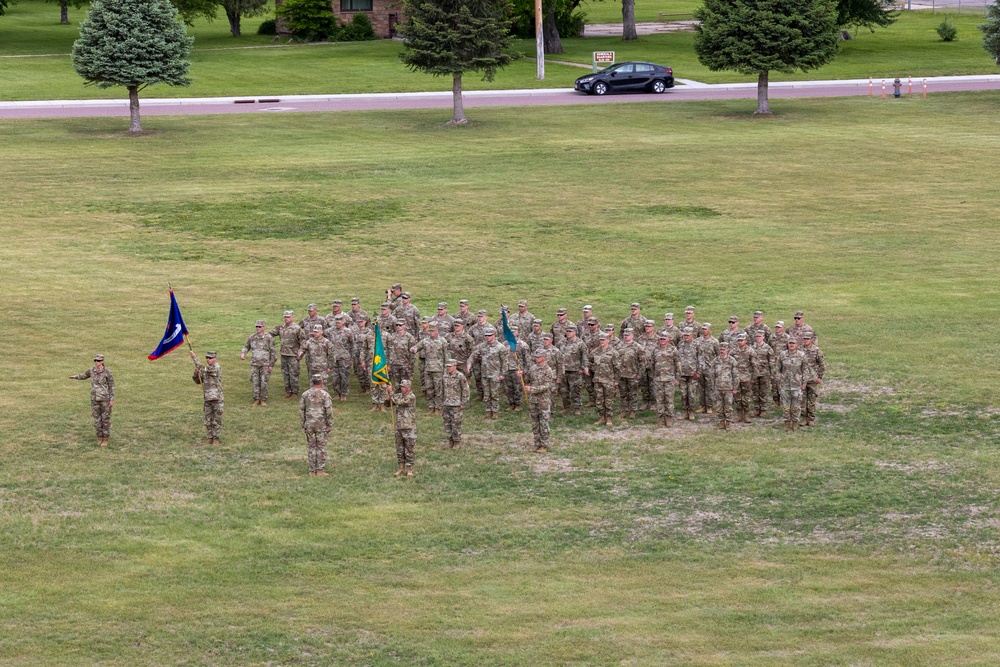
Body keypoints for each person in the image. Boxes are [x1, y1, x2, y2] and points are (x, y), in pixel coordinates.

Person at [69, 353, 115, 446]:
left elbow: (111, 385)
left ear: (102, 361)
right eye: (95, 360)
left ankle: (105, 438)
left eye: (98, 361)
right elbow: (84, 376)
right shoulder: (92, 370)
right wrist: (75, 377)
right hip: (94, 399)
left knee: (105, 419)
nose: (96, 362)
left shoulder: (107, 372)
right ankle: (99, 437)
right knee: (97, 419)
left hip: (105, 399)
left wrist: (112, 399)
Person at [467, 325, 508, 419]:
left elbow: (505, 362)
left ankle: (495, 411)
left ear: (494, 335)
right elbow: (473, 355)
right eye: (486, 336)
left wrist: (502, 374)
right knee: (486, 393)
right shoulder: (482, 346)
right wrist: (469, 363)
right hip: (485, 373)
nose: (488, 337)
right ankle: (488, 410)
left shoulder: (500, 347)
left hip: (495, 374)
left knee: (494, 393)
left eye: (489, 335)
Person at [521, 349, 557, 452]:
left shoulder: (548, 370)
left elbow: (547, 385)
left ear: (544, 357)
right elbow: (528, 380)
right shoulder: (533, 368)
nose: (536, 358)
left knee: (543, 423)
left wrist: (533, 389)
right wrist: (522, 375)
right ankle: (537, 443)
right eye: (536, 356)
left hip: (543, 401)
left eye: (538, 356)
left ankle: (544, 444)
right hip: (533, 400)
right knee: (535, 423)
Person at [300, 374, 334, 477]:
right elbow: (329, 411)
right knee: (321, 446)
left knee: (311, 446)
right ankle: (320, 470)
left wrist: (303, 424)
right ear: (321, 382)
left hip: (309, 424)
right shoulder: (325, 395)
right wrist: (330, 424)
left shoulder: (305, 395)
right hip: (321, 424)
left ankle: (312, 470)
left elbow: (302, 410)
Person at [412, 322, 448, 413]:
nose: (431, 333)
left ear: (437, 331)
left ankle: (438, 408)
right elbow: (416, 347)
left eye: (433, 331)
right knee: (429, 389)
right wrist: (414, 349)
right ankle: (431, 406)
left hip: (438, 369)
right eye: (430, 331)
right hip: (427, 369)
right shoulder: (425, 341)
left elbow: (446, 355)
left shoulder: (443, 341)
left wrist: (447, 368)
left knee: (438, 389)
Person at [240, 319, 277, 406]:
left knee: (264, 382)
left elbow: (273, 352)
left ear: (263, 327)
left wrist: (271, 365)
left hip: (265, 364)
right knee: (255, 381)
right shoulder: (252, 337)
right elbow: (246, 346)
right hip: (254, 364)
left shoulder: (268, 338)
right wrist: (243, 353)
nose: (258, 328)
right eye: (256, 326)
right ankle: (256, 399)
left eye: (259, 326)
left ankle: (263, 399)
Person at [269, 310, 305, 398]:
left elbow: (303, 342)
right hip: (284, 354)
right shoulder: (281, 327)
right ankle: (288, 391)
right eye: (285, 317)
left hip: (293, 355)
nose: (286, 318)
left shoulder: (297, 328)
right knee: (285, 373)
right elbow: (271, 333)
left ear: (292, 317)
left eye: (288, 317)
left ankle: (295, 392)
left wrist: (301, 353)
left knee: (294, 374)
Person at [191, 350, 224, 445]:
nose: (208, 360)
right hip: (207, 398)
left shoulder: (216, 367)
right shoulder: (205, 370)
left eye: (210, 358)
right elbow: (198, 381)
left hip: (217, 398)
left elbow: (205, 369)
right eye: (207, 358)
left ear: (215, 359)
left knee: (216, 419)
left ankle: (216, 438)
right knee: (208, 419)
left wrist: (194, 358)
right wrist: (196, 373)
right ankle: (209, 437)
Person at [591, 333, 620, 427]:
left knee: (608, 400)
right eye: (600, 340)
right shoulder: (595, 351)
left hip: (609, 380)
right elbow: (589, 360)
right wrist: (592, 368)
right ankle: (602, 417)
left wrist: (616, 380)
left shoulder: (613, 352)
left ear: (608, 340)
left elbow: (618, 368)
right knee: (599, 400)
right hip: (598, 380)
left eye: (603, 340)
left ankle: (609, 418)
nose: (602, 341)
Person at [559, 324, 589, 415]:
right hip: (563, 370)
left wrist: (583, 368)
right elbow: (557, 355)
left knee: (575, 390)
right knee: (564, 391)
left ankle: (577, 408)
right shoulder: (561, 343)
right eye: (567, 331)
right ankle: (566, 407)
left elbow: (585, 357)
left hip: (575, 371)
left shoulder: (580, 343)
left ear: (575, 332)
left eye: (570, 331)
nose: (568, 333)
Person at [389, 379, 417, 477]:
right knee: (400, 448)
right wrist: (388, 397)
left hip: (409, 427)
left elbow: (400, 402)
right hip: (399, 426)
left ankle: (409, 469)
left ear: (409, 388)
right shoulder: (399, 395)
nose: (402, 388)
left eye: (404, 387)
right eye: (401, 386)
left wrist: (391, 393)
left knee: (409, 449)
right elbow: (389, 403)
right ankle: (401, 468)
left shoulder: (411, 396)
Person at [651, 333, 680, 427]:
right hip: (658, 379)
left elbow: (678, 364)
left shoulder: (673, 350)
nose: (662, 340)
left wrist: (677, 377)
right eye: (661, 339)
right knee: (659, 400)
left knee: (669, 399)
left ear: (668, 339)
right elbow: (652, 364)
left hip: (669, 379)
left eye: (664, 339)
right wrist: (654, 376)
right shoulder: (655, 349)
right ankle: (661, 418)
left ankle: (669, 418)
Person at [778, 338, 807, 430]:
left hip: (797, 384)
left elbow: (805, 370)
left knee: (796, 406)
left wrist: (804, 383)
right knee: (785, 406)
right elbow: (777, 369)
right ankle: (787, 423)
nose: (791, 345)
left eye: (793, 343)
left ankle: (795, 423)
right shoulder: (782, 355)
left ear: (797, 344)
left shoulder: (801, 355)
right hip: (785, 384)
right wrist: (779, 381)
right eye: (790, 343)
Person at [324, 314, 355, 401]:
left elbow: (352, 345)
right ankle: (337, 393)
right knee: (335, 377)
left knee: (344, 377)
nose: (337, 324)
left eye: (339, 322)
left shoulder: (348, 332)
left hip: (344, 358)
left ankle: (344, 394)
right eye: (336, 322)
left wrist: (351, 358)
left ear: (343, 322)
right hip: (333, 358)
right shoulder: (330, 331)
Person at [441, 358, 470, 448]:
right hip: (446, 403)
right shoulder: (444, 376)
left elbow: (465, 390)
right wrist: (441, 401)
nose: (448, 368)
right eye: (447, 366)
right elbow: (442, 389)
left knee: (456, 423)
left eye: (450, 366)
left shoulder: (460, 376)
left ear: (455, 366)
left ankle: (457, 441)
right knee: (447, 423)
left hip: (456, 404)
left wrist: (463, 403)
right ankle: (450, 440)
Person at [617, 328, 645, 419]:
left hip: (633, 375)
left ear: (632, 335)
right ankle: (624, 410)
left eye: (628, 335)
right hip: (621, 375)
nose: (626, 336)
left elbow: (643, 362)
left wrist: (639, 374)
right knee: (623, 394)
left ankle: (633, 411)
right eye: (625, 335)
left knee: (633, 393)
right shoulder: (619, 346)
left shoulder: (638, 347)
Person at [297, 324, 334, 391]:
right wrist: (300, 354)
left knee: (323, 387)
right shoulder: (309, 342)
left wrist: (330, 367)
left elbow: (332, 355)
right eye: (314, 331)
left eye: (317, 332)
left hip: (322, 368)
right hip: (312, 368)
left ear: (321, 332)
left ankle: (323, 400)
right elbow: (303, 349)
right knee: (313, 387)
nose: (315, 333)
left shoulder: (326, 342)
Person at [730, 332, 756, 423]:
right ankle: (738, 415)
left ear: (745, 341)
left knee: (746, 398)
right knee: (737, 397)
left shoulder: (750, 351)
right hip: (736, 378)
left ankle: (746, 415)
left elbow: (755, 365)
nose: (740, 342)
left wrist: (753, 377)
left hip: (747, 378)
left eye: (742, 340)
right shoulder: (733, 351)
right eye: (739, 340)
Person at [800, 332, 825, 426]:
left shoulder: (817, 350)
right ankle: (804, 418)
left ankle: (811, 418)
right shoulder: (800, 350)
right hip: (802, 379)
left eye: (808, 339)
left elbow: (822, 365)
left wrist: (819, 377)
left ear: (811, 339)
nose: (806, 340)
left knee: (812, 399)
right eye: (804, 338)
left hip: (812, 379)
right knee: (802, 400)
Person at [713, 342, 739, 430]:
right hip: (718, 387)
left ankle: (727, 423)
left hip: (728, 388)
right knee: (719, 406)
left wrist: (735, 388)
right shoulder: (715, 360)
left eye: (724, 349)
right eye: (720, 349)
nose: (722, 351)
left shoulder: (732, 361)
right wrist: (713, 387)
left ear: (728, 350)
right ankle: (721, 422)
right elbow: (712, 374)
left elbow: (736, 375)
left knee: (728, 406)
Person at [695, 323, 719, 414]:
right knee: (701, 388)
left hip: (710, 369)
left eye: (705, 329)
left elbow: (718, 356)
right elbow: (695, 354)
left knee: (710, 388)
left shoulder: (714, 342)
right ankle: (702, 406)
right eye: (703, 329)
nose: (704, 331)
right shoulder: (697, 341)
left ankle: (709, 406)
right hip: (700, 369)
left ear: (710, 330)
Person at [750, 331, 775, 417]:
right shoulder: (751, 347)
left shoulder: (768, 348)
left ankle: (763, 409)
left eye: (760, 336)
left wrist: (772, 373)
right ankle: (757, 409)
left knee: (763, 392)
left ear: (763, 337)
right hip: (754, 373)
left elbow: (771, 361)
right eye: (756, 336)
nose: (758, 338)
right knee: (755, 392)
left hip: (765, 373)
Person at [386, 319, 416, 388]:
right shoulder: (392, 336)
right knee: (396, 384)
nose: (398, 326)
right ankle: (397, 397)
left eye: (400, 325)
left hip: (405, 363)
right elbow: (389, 350)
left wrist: (411, 364)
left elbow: (412, 352)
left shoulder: (409, 337)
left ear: (404, 326)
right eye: (397, 325)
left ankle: (405, 398)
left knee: (405, 384)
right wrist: (389, 364)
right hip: (394, 363)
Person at [677, 327, 699, 421]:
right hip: (682, 373)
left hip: (692, 374)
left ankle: (691, 411)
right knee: (683, 394)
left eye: (688, 335)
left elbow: (700, 358)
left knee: (691, 394)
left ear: (692, 335)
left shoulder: (696, 344)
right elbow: (677, 359)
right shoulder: (680, 344)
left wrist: (698, 371)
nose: (686, 336)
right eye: (684, 335)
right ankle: (685, 411)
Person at [769, 321, 791, 407]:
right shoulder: (772, 337)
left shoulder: (787, 337)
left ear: (783, 328)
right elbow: (769, 348)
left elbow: (790, 349)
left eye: (779, 327)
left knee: (783, 383)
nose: (777, 329)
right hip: (773, 363)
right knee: (774, 382)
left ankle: (784, 401)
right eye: (776, 327)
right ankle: (776, 401)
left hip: (783, 363)